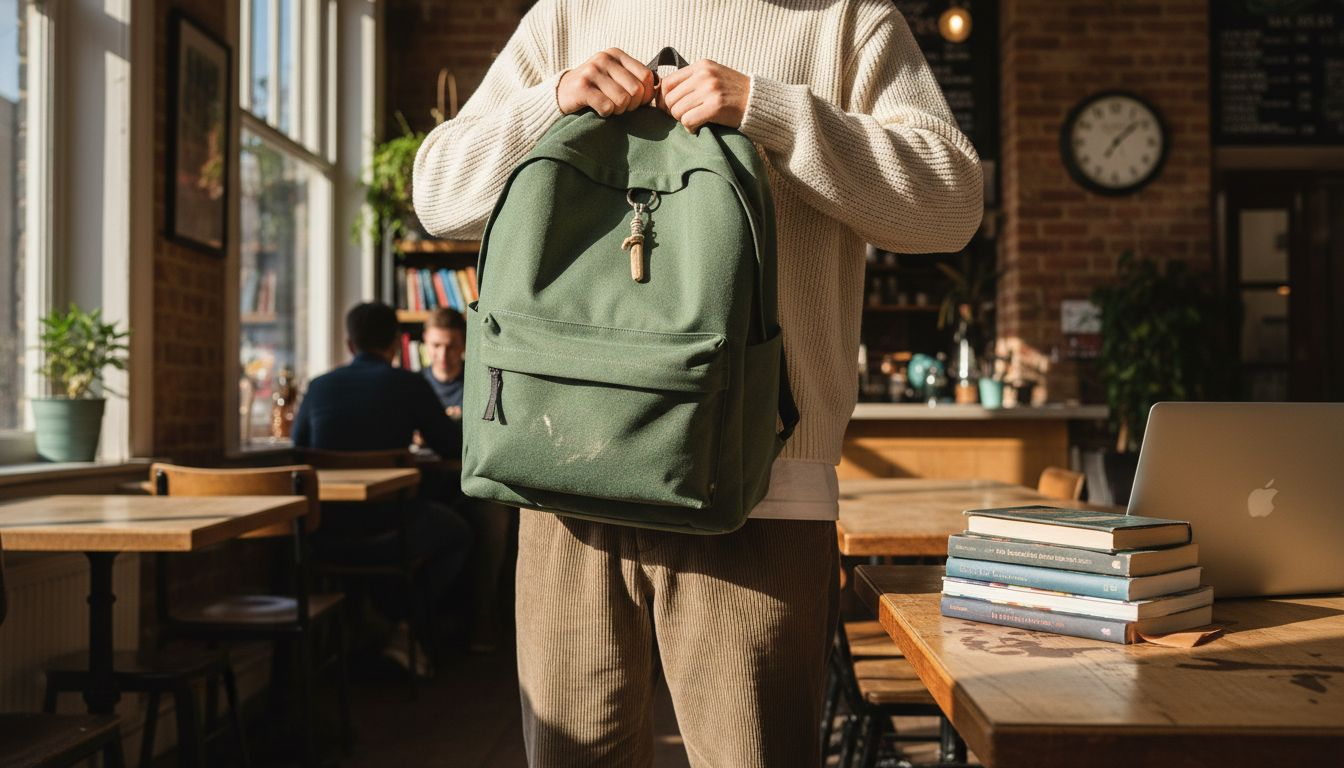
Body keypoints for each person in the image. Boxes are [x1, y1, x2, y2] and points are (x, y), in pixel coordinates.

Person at [412, 1, 983, 764]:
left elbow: (950, 204)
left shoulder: (844, 17)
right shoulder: (570, 12)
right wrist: (549, 102)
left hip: (762, 485)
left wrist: (770, 111)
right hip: (558, 471)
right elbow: (438, 194)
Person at [292, 301, 472, 673]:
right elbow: (451, 446)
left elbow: (297, 456)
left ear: (348, 345)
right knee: (459, 533)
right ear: (396, 343)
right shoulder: (409, 384)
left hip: (324, 531)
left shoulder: (318, 387)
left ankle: (371, 625)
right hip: (392, 529)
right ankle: (403, 624)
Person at [421, 307, 515, 652]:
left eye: (450, 346)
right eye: (435, 346)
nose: (442, 355)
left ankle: (484, 622)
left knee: (496, 518)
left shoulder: (480, 383)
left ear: (463, 346)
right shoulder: (416, 386)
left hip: (470, 484)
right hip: (428, 487)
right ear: (424, 345)